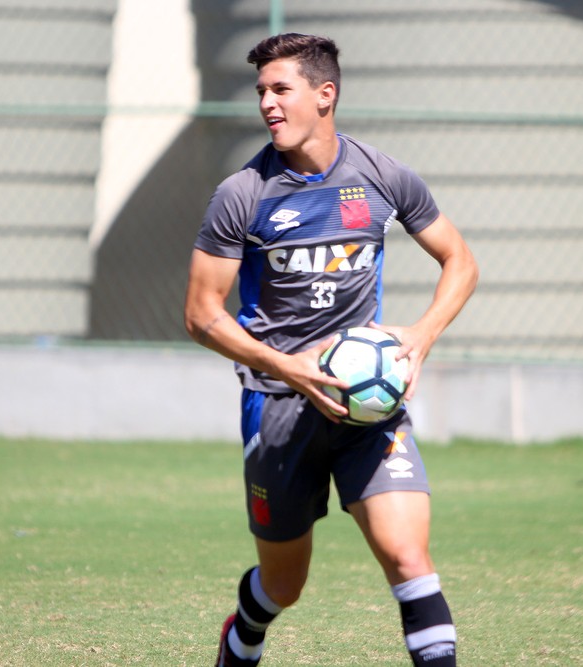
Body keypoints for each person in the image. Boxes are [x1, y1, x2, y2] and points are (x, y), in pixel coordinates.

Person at [184, 33, 478, 667]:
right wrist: (288, 366)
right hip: (278, 408)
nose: (267, 103)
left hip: (367, 409)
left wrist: (421, 336)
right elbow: (202, 315)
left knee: (409, 558)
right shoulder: (242, 194)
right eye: (261, 91)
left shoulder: (382, 176)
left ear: (325, 95)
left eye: (280, 89)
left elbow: (460, 260)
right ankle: (243, 636)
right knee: (283, 585)